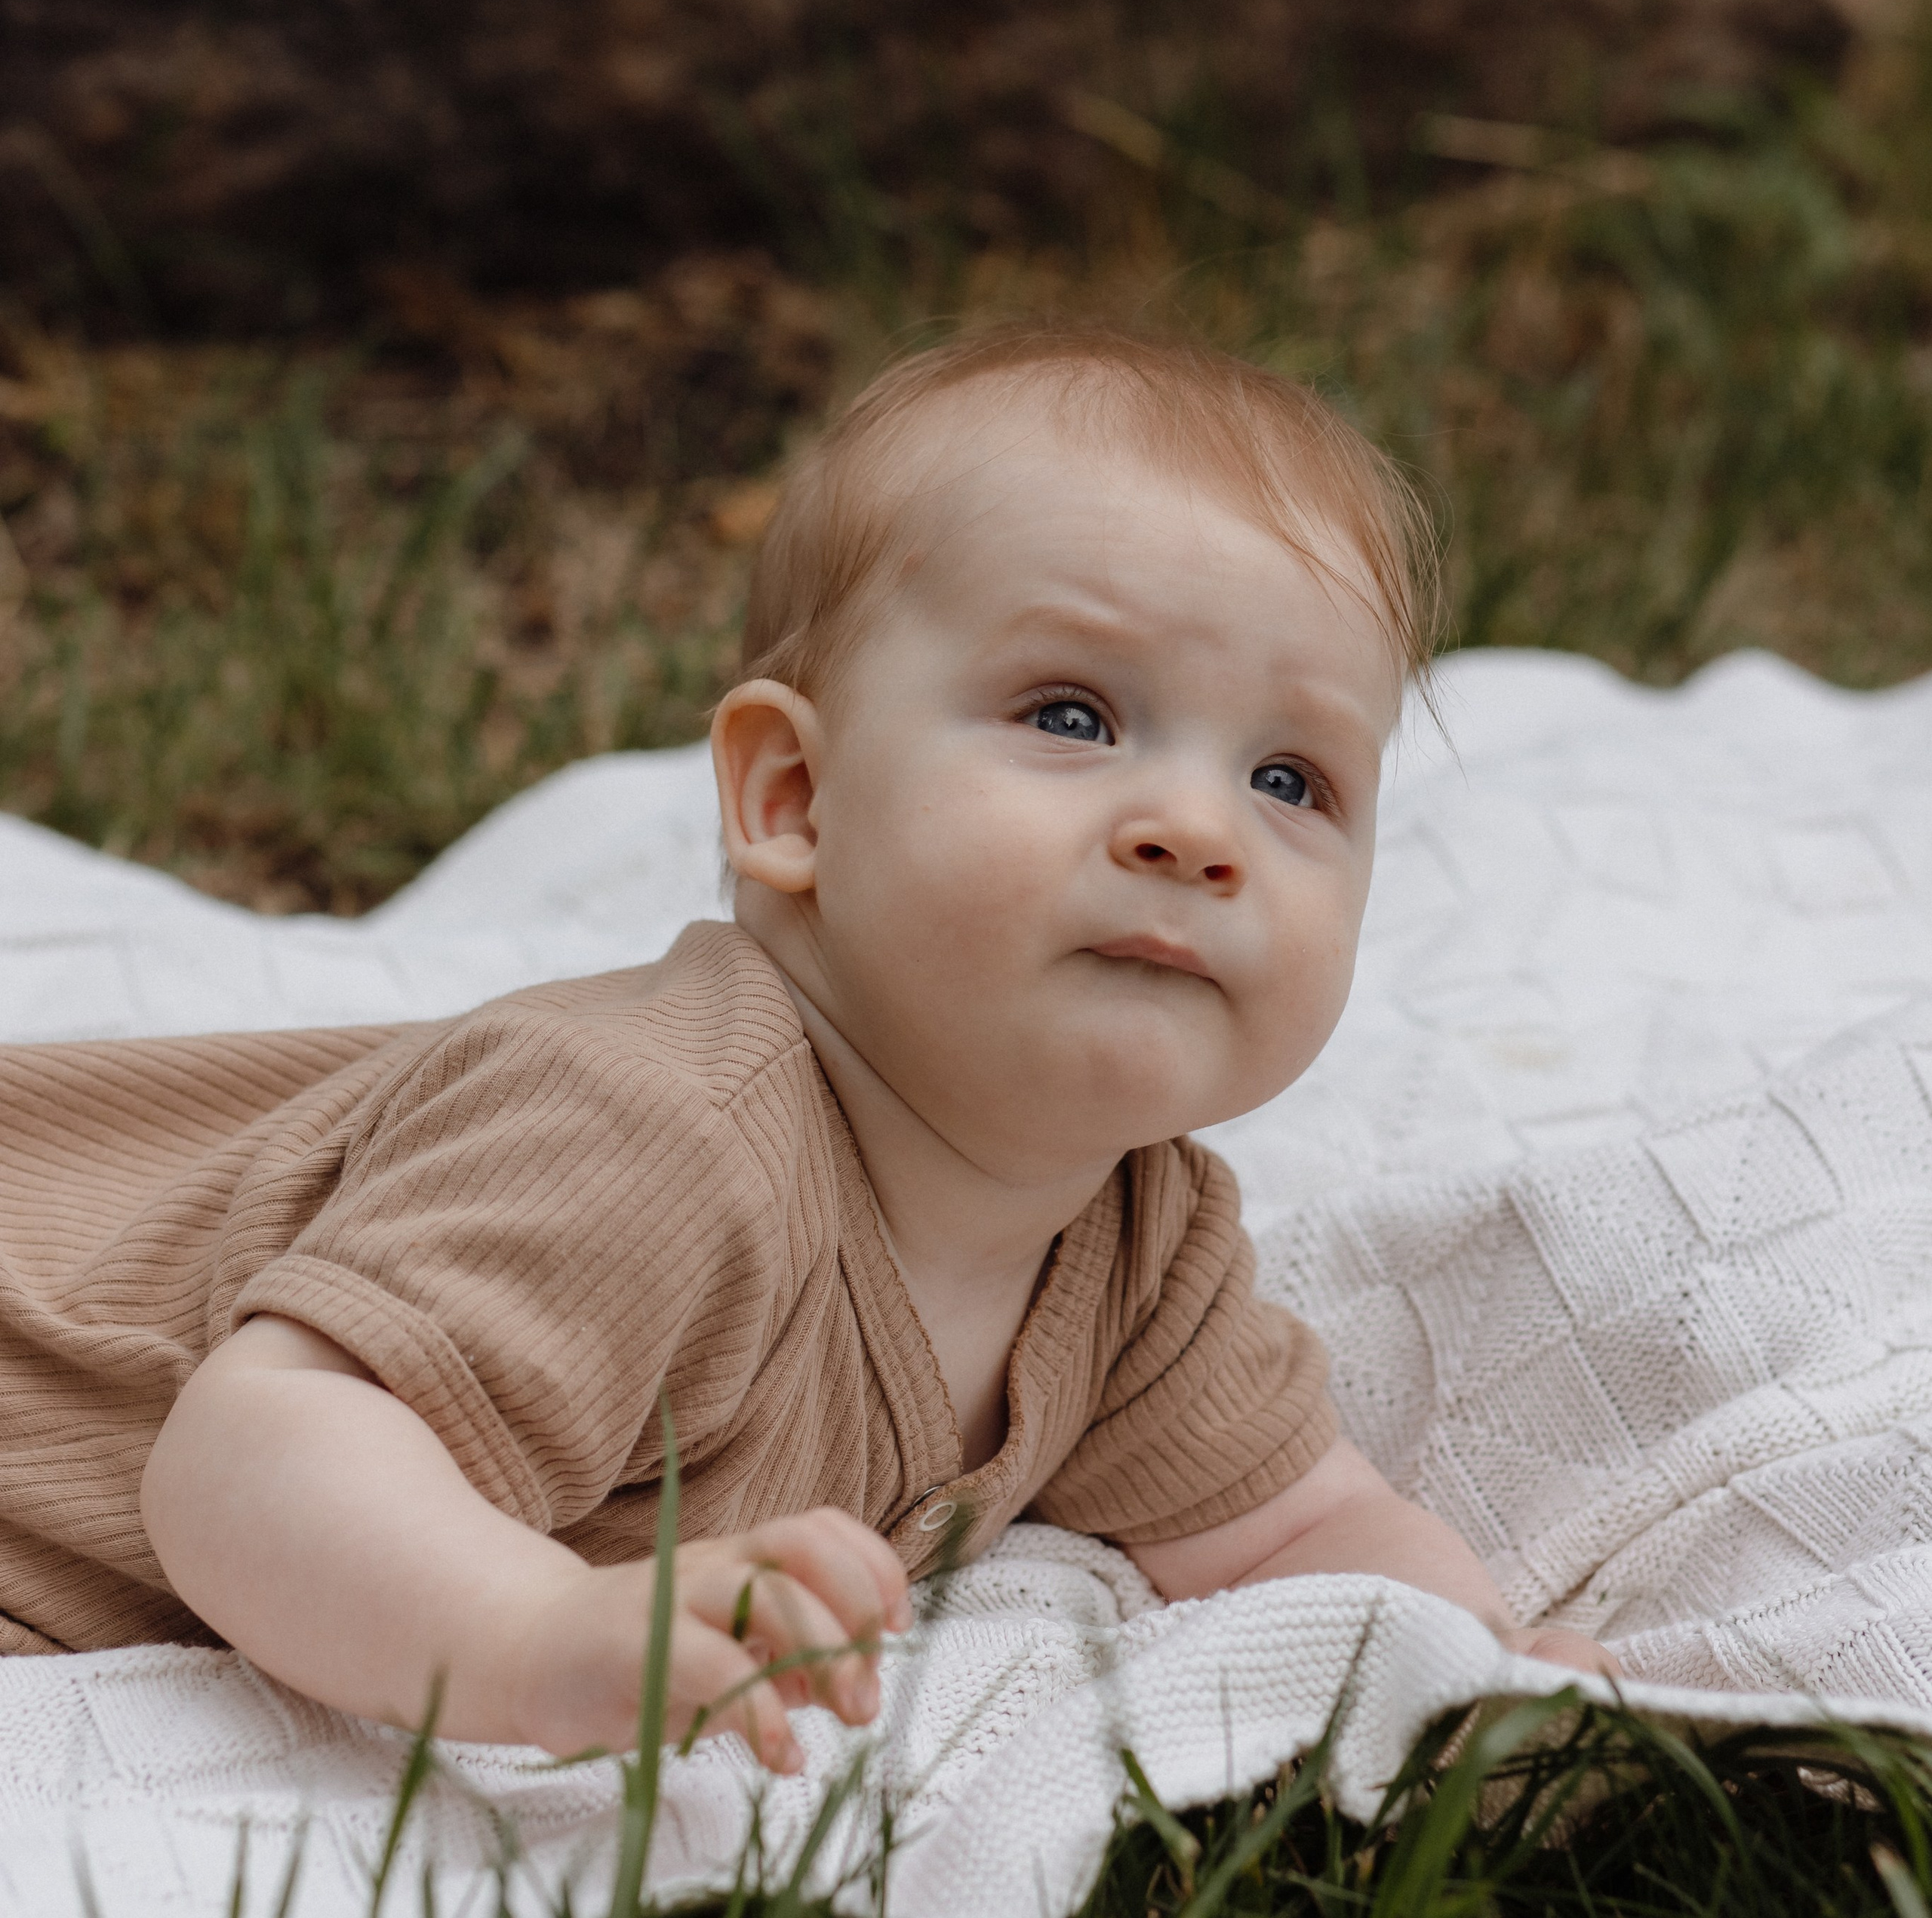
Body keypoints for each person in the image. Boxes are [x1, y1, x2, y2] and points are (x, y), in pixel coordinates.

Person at [0, 325, 1613, 1778]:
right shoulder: (660, 1134)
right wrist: (529, 1641)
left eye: (1291, 781)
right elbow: (252, 1456)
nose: (1195, 829)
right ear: (794, 802)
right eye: (1070, 717)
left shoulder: (1138, 1244)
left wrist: (1467, 1679)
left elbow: (1293, 1526)